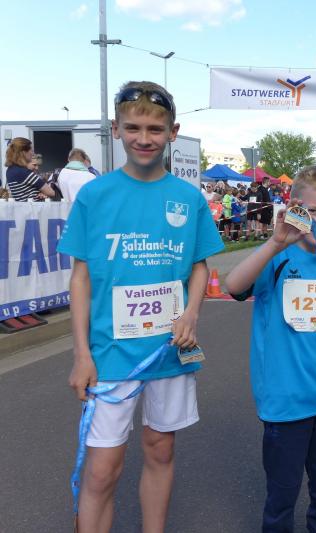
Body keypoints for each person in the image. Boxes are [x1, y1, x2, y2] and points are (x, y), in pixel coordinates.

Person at [57, 80, 224, 533]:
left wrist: (191, 313)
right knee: (102, 469)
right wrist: (81, 355)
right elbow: (80, 277)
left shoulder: (188, 197)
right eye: (133, 128)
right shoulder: (95, 194)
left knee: (160, 450)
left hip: (169, 350)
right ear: (116, 129)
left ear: (173, 132)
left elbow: (199, 266)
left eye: (155, 129)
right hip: (110, 354)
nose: (144, 138)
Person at [225, 165, 316, 533]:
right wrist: (275, 242)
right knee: (282, 495)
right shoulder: (277, 258)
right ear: (295, 207)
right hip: (286, 404)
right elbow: (233, 285)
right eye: (313, 211)